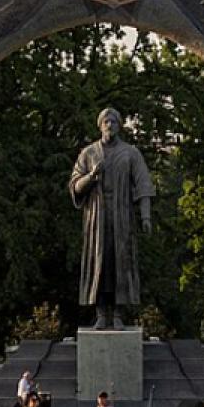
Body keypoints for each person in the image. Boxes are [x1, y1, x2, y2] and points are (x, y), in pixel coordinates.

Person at [68, 107, 155, 329]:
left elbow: (144, 185)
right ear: (100, 125)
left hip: (122, 216)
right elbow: (75, 186)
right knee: (99, 262)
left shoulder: (130, 153)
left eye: (114, 121)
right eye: (106, 121)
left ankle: (118, 313)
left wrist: (145, 216)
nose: (110, 125)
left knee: (121, 262)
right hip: (96, 217)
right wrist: (91, 176)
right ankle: (101, 313)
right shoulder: (88, 153)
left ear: (120, 125)